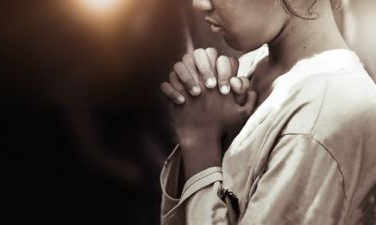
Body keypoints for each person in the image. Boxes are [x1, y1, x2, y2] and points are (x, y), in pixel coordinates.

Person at [159, 0, 376, 224]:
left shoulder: (328, 114)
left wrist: (200, 140)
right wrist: (222, 134)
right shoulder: (248, 68)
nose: (199, 4)